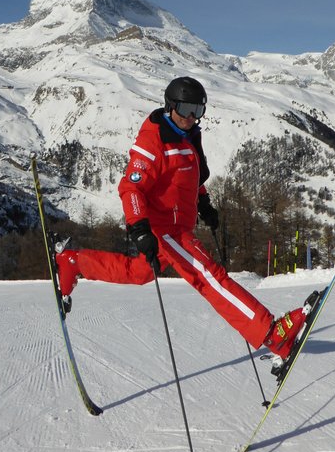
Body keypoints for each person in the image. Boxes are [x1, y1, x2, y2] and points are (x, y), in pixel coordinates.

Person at [55, 76, 310, 362]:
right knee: (208, 276)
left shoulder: (187, 135)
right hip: (164, 230)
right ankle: (271, 334)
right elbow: (131, 188)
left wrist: (204, 203)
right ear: (170, 106)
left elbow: (186, 177)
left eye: (198, 110)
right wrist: (140, 229)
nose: (191, 117)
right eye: (186, 109)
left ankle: (74, 262)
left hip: (179, 225)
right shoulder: (154, 141)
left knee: (140, 272)